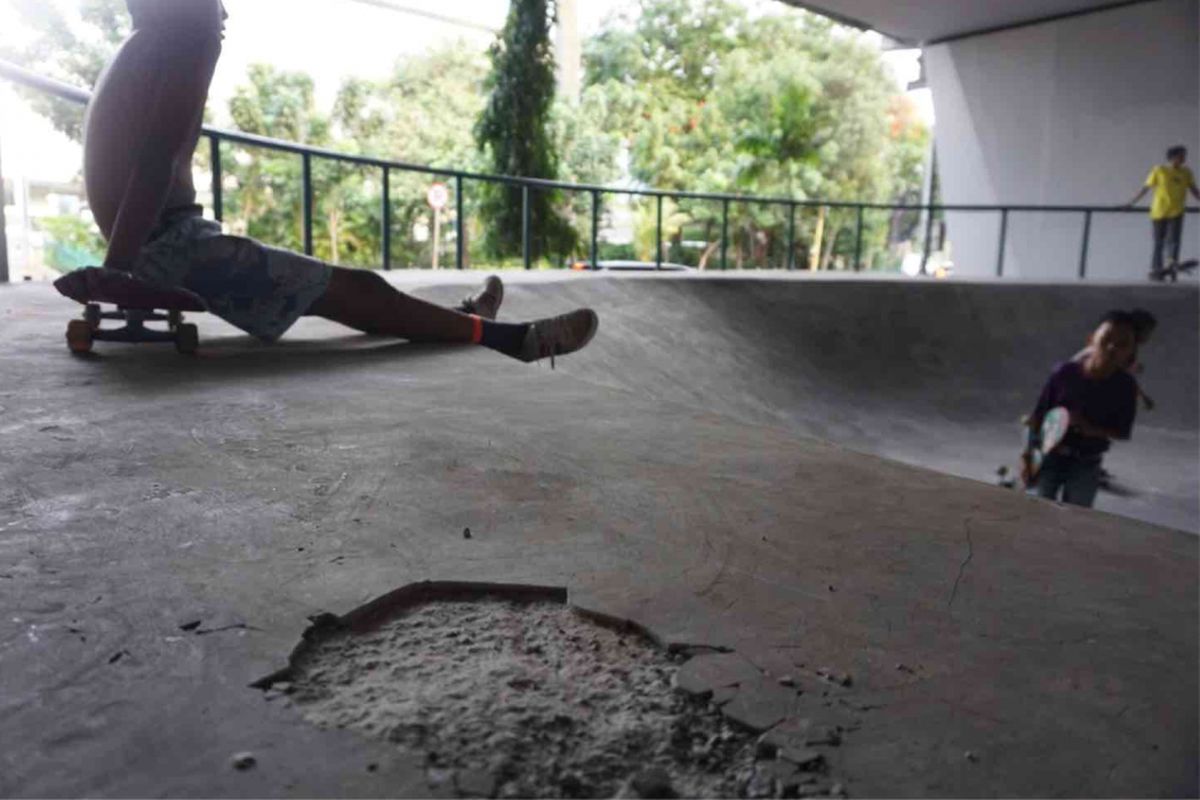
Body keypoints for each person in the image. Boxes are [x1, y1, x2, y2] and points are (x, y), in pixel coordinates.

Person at [60, 0, 597, 362]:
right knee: (356, 290)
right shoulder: (189, 32)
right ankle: (511, 340)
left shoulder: (145, 42)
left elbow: (147, 156)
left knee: (352, 295)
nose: (226, 12)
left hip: (156, 237)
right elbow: (154, 158)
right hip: (164, 247)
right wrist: (121, 271)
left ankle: (460, 319)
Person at [1022, 311, 1140, 508]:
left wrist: (1090, 428)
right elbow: (1038, 416)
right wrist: (1028, 458)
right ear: (1092, 340)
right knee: (1037, 513)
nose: (1112, 348)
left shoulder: (1126, 386)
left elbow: (1122, 432)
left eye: (1122, 344)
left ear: (1131, 352)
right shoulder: (1064, 373)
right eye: (1107, 339)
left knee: (1077, 520)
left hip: (1086, 464)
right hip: (1049, 458)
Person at [1126, 145, 1199, 278]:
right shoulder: (1159, 170)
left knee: (1174, 241)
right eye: (1181, 156)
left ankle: (1171, 266)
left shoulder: (1186, 172)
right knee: (1159, 242)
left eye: (1184, 156)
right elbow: (1146, 188)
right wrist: (1132, 202)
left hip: (1176, 211)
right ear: (1173, 157)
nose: (1183, 159)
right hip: (1159, 211)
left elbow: (1194, 189)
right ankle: (1156, 269)